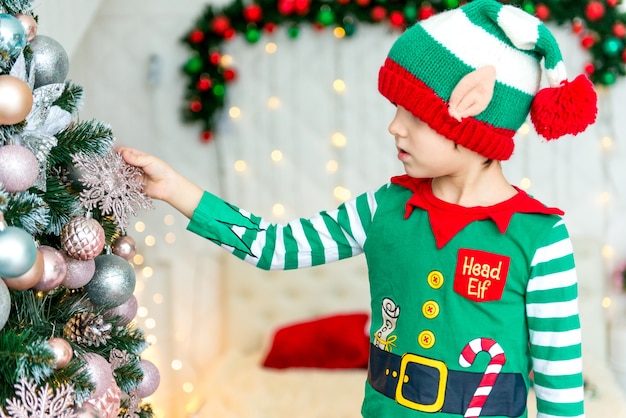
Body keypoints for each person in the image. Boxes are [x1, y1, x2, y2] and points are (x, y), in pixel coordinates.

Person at [122, 0, 597, 416]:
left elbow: (560, 388)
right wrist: (175, 189)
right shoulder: (383, 209)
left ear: (471, 114)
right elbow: (273, 246)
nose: (395, 127)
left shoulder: (539, 236)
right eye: (396, 110)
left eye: (414, 114)